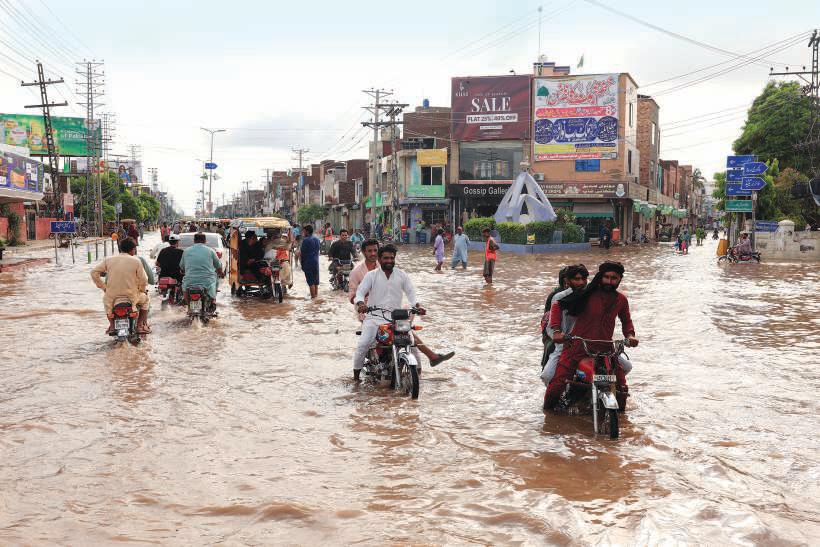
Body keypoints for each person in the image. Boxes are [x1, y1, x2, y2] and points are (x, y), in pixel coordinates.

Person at [544, 261, 639, 411]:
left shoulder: (621, 300)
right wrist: (556, 331)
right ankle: (548, 416)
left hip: (606, 349)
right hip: (577, 347)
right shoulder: (586, 294)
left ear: (620, 279)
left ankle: (620, 421)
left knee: (622, 388)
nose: (609, 281)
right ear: (600, 277)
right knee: (557, 383)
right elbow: (558, 305)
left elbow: (627, 321)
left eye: (614, 278)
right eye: (606, 277)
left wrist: (631, 335)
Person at [352, 244, 454, 381]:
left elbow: (411, 293)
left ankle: (417, 376)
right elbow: (359, 292)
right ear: (380, 259)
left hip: (395, 319)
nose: (389, 261)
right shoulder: (371, 276)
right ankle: (356, 378)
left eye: (391, 258)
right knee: (363, 344)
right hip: (373, 318)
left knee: (411, 343)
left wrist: (417, 306)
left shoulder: (402, 275)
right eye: (386, 258)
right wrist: (360, 303)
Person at [90, 237, 150, 334]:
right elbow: (144, 279)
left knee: (108, 306)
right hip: (132, 296)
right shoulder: (136, 261)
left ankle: (112, 326)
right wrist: (142, 290)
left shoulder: (108, 260)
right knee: (146, 301)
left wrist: (103, 287)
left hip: (112, 296)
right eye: (134, 249)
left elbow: (94, 273)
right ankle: (140, 326)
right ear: (132, 249)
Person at [180, 232, 223, 308]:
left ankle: (187, 304)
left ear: (194, 240)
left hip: (190, 281)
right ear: (205, 240)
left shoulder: (186, 251)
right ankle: (213, 301)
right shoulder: (211, 251)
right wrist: (221, 272)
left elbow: (182, 267)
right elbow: (218, 266)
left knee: (184, 285)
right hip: (207, 282)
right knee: (215, 279)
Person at [300, 224, 321, 298]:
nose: (303, 233)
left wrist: (302, 264)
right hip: (316, 262)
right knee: (316, 282)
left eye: (304, 231)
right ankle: (316, 297)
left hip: (308, 263)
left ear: (307, 232)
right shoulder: (317, 239)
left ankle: (313, 298)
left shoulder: (305, 240)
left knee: (310, 282)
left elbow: (303, 254)